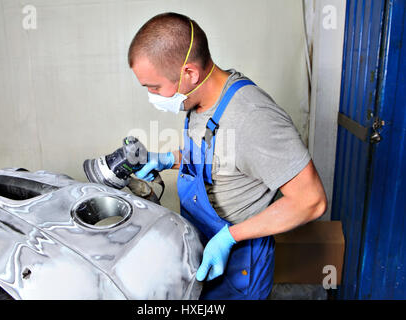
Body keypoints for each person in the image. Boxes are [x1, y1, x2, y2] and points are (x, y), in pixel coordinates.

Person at [128, 12, 327, 300]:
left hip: (239, 264)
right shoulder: (199, 101)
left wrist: (229, 237)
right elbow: (221, 157)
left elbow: (312, 201)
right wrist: (169, 159)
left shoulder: (253, 117)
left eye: (154, 88)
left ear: (189, 74)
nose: (152, 96)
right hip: (202, 245)